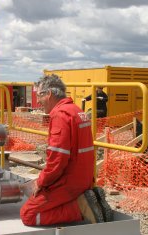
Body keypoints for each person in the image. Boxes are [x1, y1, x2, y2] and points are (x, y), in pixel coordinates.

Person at [20, 74, 112, 226]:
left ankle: (82, 208)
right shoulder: (76, 111)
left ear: (48, 94)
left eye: (39, 95)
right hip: (84, 179)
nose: (37, 101)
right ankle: (88, 200)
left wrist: (41, 183)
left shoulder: (61, 116)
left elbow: (57, 160)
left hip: (69, 182)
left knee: (29, 214)